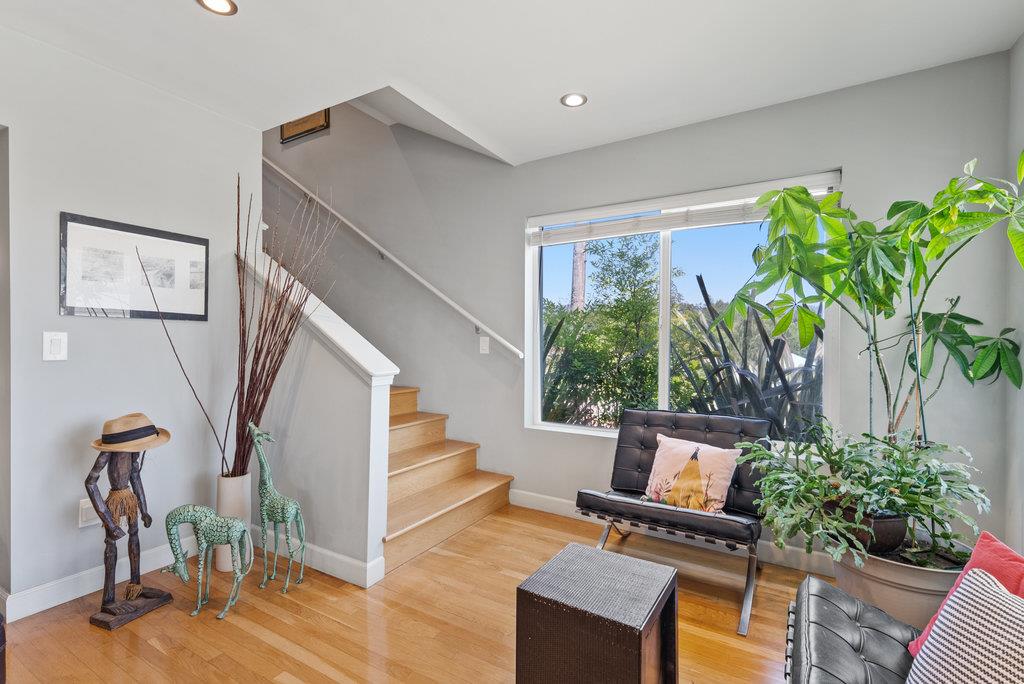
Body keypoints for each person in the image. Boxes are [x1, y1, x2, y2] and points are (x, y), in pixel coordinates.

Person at [85, 412, 170, 616]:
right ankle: (109, 600)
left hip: (129, 499)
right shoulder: (108, 453)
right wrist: (109, 521)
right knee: (111, 545)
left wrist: (144, 509)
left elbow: (135, 476)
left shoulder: (133, 452)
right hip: (114, 501)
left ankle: (135, 586)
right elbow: (90, 482)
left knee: (135, 536)